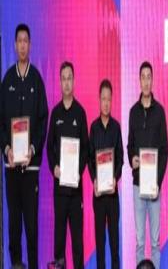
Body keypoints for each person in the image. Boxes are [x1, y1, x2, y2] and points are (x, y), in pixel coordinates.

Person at [0, 23, 48, 268]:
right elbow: (0, 122)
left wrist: (32, 150)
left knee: (31, 225)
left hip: (30, 169)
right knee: (14, 226)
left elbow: (42, 121)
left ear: (30, 45)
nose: (22, 45)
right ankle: (16, 264)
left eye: (25, 41)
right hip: (11, 168)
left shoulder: (36, 80)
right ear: (15, 44)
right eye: (19, 41)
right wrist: (7, 149)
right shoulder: (7, 79)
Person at [46, 61, 89, 268]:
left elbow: (86, 149)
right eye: (63, 79)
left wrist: (78, 171)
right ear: (60, 82)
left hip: (76, 190)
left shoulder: (80, 113)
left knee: (78, 243)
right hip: (60, 190)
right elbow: (49, 147)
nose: (66, 82)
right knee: (59, 241)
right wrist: (54, 167)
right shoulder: (55, 114)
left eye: (69, 78)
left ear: (74, 80)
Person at [127, 61, 168, 269]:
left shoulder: (159, 112)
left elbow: (164, 150)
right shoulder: (133, 112)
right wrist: (132, 158)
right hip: (137, 185)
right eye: (142, 77)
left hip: (154, 187)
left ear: (152, 80)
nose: (145, 81)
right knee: (140, 242)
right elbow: (130, 145)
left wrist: (158, 182)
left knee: (155, 242)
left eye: (148, 77)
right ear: (139, 80)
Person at [88, 79, 124, 269]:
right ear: (99, 100)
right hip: (98, 195)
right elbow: (89, 159)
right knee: (100, 245)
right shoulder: (93, 128)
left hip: (112, 194)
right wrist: (94, 179)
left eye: (109, 99)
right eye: (103, 99)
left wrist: (115, 178)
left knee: (114, 244)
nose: (106, 103)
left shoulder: (116, 127)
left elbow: (120, 158)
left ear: (112, 100)